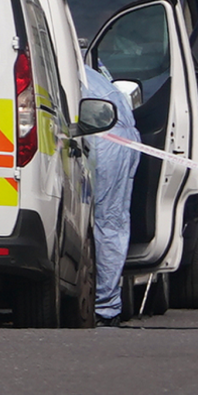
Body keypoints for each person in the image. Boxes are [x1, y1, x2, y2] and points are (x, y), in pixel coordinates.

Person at [83, 66, 141, 327]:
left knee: (105, 222)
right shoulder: (90, 70)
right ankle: (105, 305)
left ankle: (104, 307)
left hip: (104, 138)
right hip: (117, 135)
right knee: (111, 222)